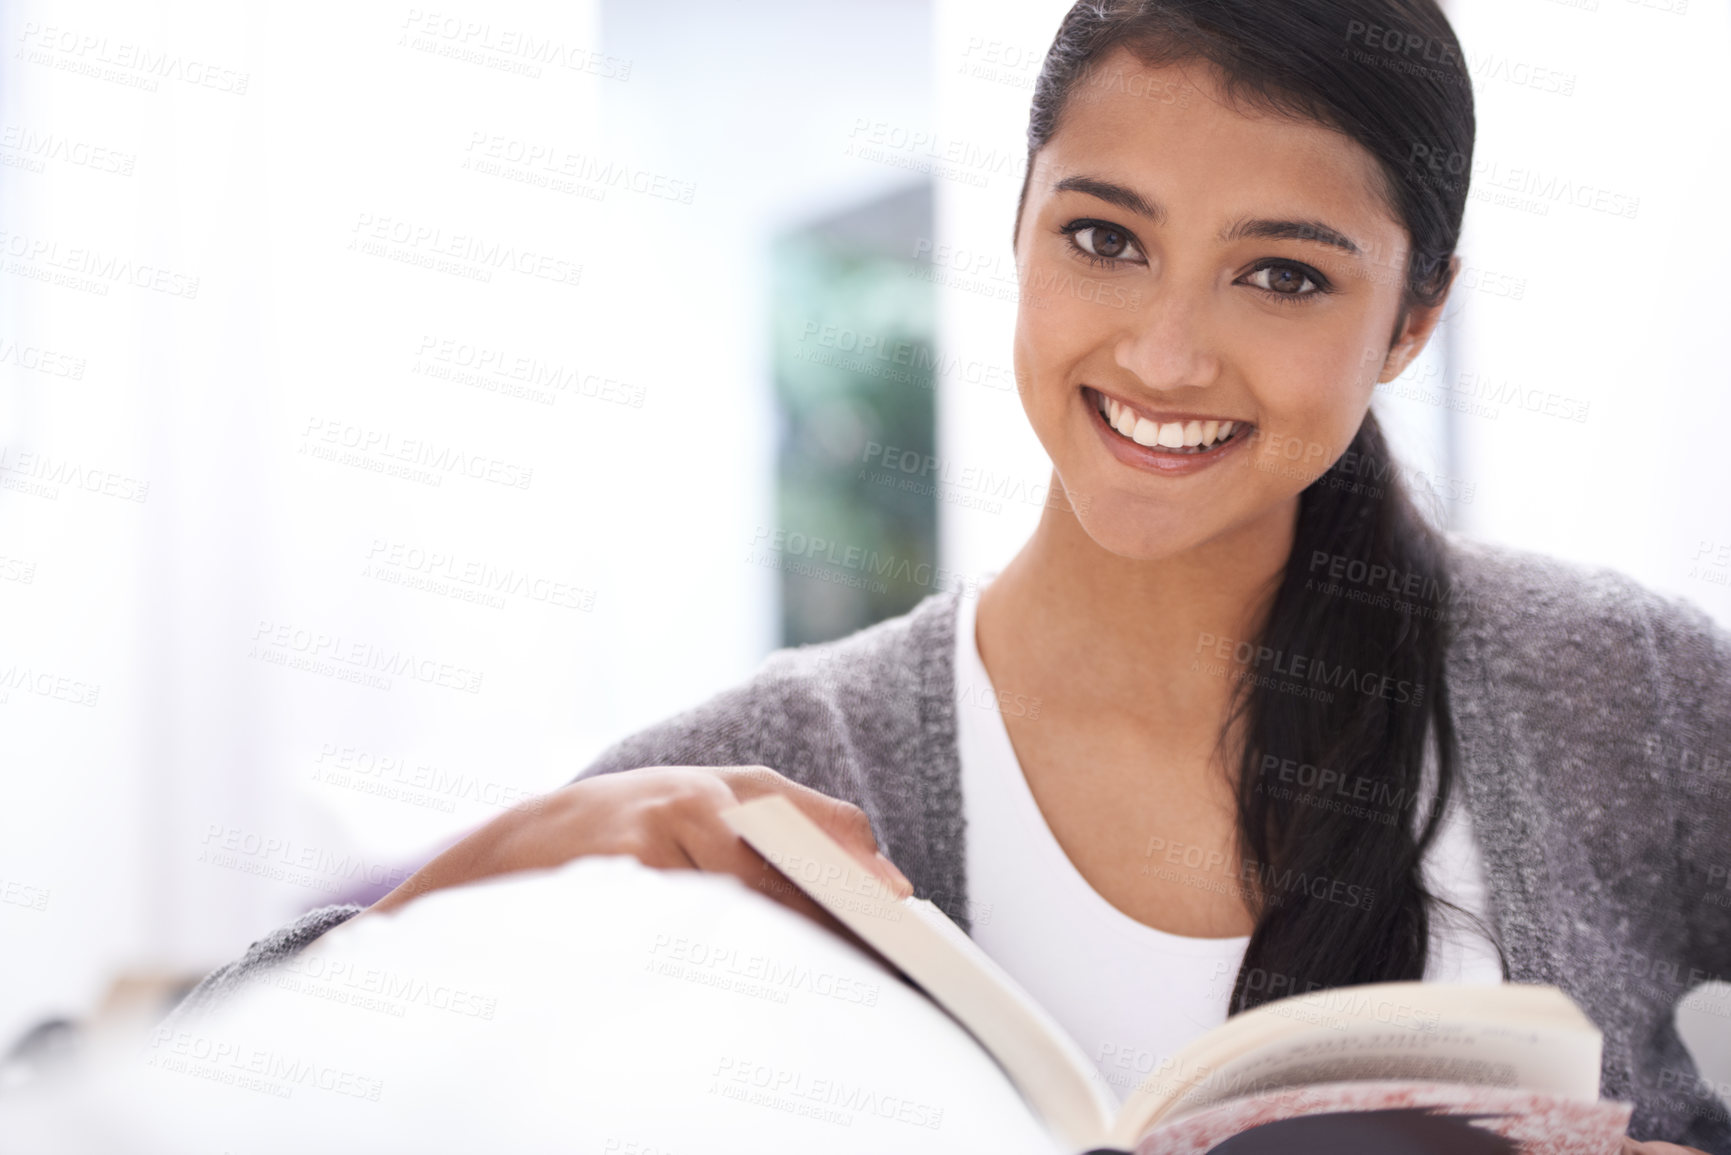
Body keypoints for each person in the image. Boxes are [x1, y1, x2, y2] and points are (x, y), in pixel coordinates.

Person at [168, 1, 1730, 1148]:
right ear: (1019, 229)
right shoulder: (786, 772)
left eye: (1283, 274)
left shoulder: (1619, 694)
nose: (1164, 350)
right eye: (1105, 239)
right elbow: (188, 1074)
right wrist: (518, 849)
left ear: (1412, 319)